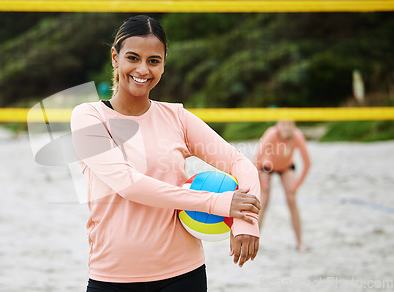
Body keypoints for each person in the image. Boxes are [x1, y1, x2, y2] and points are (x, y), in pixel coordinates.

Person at [70, 15, 261, 291]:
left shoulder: (177, 117)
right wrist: (218, 203)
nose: (143, 69)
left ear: (163, 64)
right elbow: (128, 184)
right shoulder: (88, 117)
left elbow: (239, 162)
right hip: (113, 277)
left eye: (153, 61)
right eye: (133, 58)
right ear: (115, 57)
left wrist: (246, 224)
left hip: (183, 274)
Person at [254, 120, 311, 251]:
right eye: (284, 124)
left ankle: (300, 243)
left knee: (292, 200)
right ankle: (254, 241)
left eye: (290, 124)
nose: (287, 127)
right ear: (277, 125)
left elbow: (307, 163)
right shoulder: (271, 134)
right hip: (267, 165)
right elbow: (256, 159)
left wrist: (297, 185)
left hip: (286, 167)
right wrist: (261, 182)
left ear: (294, 126)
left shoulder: (297, 136)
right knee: (264, 200)